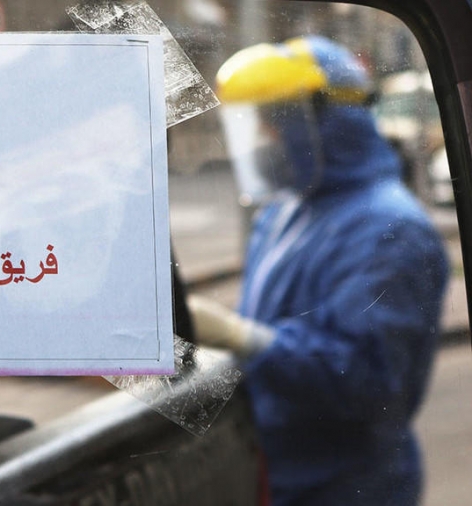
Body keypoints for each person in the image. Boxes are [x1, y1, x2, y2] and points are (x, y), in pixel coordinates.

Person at [189, 35, 449, 506]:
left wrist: (243, 338)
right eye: (259, 122)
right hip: (283, 475)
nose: (263, 138)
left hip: (350, 489)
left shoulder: (391, 229)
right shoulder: (286, 210)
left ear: (326, 123)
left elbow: (371, 383)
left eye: (275, 121)